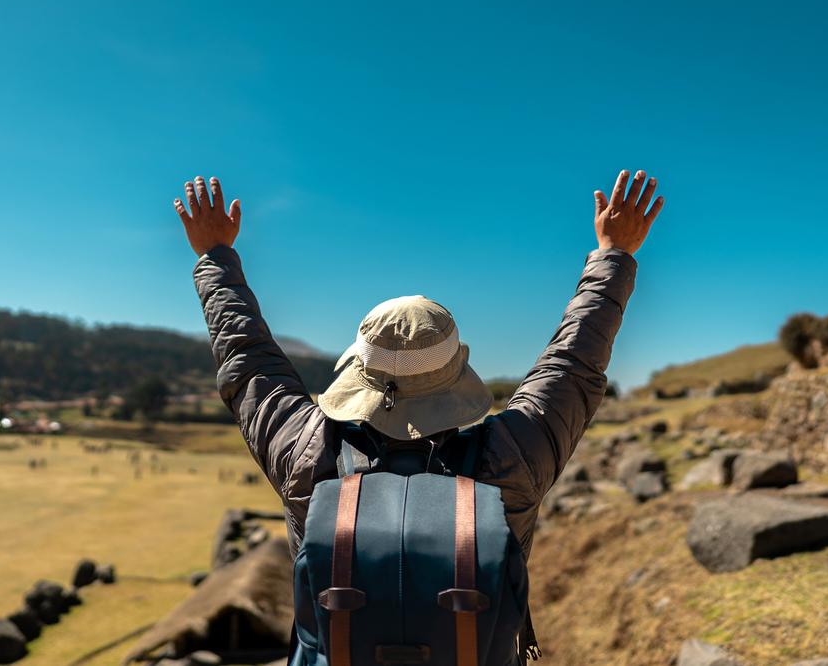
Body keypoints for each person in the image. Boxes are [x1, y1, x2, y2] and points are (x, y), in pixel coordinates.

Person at [174, 171, 662, 658]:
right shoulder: (510, 459)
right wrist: (614, 253)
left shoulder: (308, 452)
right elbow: (572, 366)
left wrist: (215, 255)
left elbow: (249, 362)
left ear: (358, 372)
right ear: (455, 376)